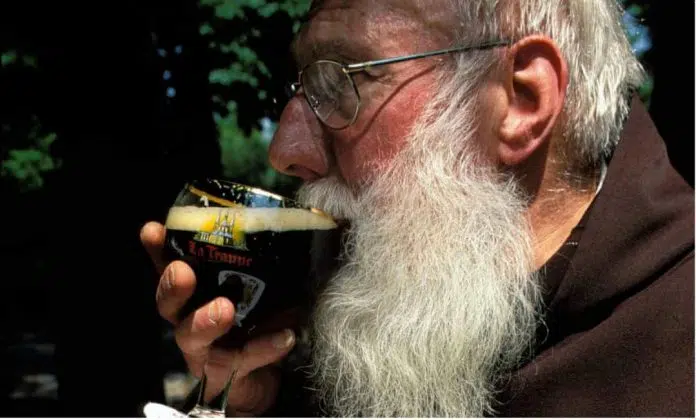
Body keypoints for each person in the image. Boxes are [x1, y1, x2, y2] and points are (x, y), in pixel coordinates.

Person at [139, 0, 694, 416]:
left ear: (521, 102)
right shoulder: (356, 315)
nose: (285, 151)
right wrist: (259, 403)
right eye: (303, 85)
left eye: (342, 81)